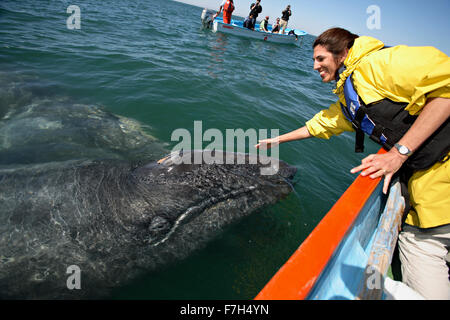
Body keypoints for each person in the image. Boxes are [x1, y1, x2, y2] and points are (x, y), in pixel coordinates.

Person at [256, 27, 450, 300]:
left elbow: (446, 88)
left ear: (343, 52)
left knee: (418, 252)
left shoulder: (380, 64)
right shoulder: (351, 97)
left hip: (439, 190)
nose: (315, 66)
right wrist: (275, 140)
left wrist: (399, 153)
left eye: (321, 59)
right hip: (429, 190)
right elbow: (321, 125)